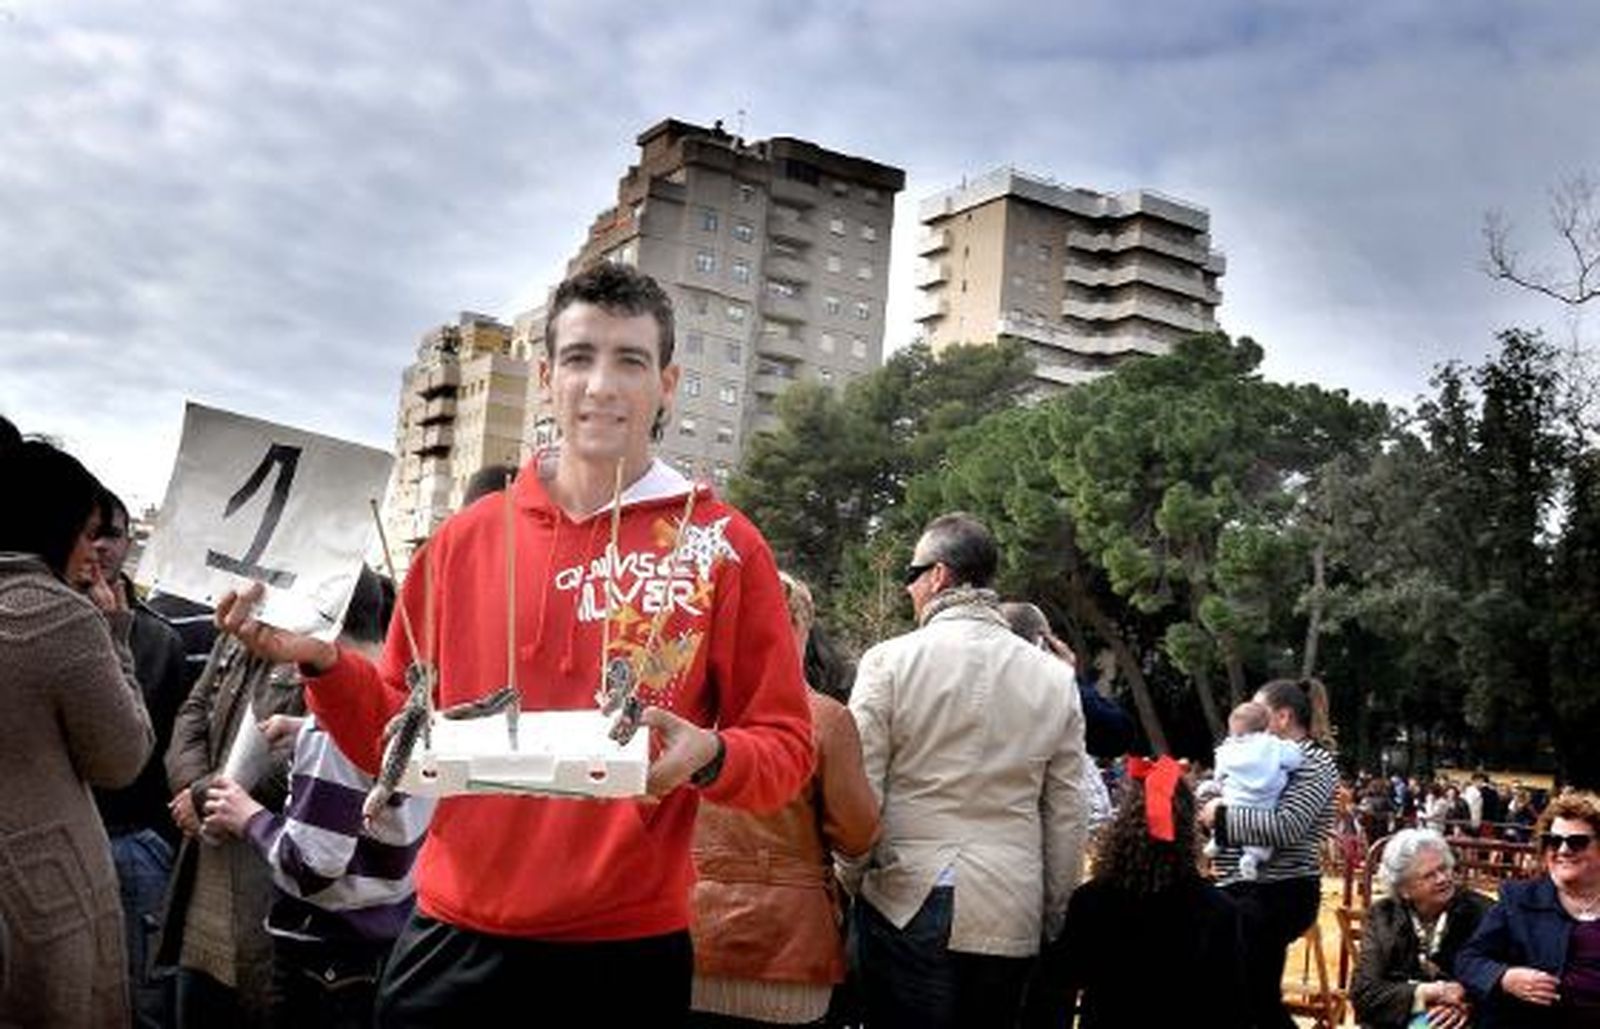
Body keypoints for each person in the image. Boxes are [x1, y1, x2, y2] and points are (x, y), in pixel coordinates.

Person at [212, 263, 814, 1023]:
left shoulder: (723, 545)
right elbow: (386, 739)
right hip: (451, 940)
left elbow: (787, 749)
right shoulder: (462, 541)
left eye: (630, 360)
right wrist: (323, 661)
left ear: (668, 382)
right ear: (545, 375)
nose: (602, 384)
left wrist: (713, 754)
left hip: (625, 956)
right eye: (579, 357)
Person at [847, 512, 1089, 1029]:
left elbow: (860, 789)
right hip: (1010, 901)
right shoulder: (1054, 679)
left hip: (905, 892)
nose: (907, 589)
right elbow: (1068, 812)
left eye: (910, 575)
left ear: (937, 576)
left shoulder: (887, 661)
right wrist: (1053, 911)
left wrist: (847, 879)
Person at [202, 566, 432, 1029]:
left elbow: (313, 865)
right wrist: (307, 729)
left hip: (326, 954)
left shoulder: (337, 728)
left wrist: (248, 816)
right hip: (387, 933)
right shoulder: (405, 694)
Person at [0, 418, 155, 1027]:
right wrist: (115, 633)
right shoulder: (61, 617)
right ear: (52, 523)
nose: (96, 553)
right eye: (87, 533)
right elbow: (122, 758)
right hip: (43, 895)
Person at [687, 571, 879, 1027]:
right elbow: (856, 836)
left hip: (687, 937)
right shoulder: (825, 721)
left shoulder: (679, 719)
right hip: (787, 951)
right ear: (798, 628)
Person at [156, 636, 305, 1025]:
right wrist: (193, 789)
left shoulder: (312, 649)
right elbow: (192, 711)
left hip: (260, 886)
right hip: (202, 888)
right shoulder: (232, 639)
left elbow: (293, 760)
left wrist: (204, 795)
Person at [90, 487, 189, 1029]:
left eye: (113, 534)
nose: (101, 547)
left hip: (137, 839)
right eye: (90, 533)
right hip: (65, 834)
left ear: (130, 545)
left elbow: (168, 744)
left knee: (144, 999)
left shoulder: (157, 637)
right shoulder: (41, 623)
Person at [1053, 756, 1248, 1027]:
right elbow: (1232, 1006)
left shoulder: (1091, 900)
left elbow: (1065, 981)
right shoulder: (1218, 910)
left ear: (1122, 823)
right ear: (1188, 829)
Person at [1199, 677, 1338, 1029]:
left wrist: (1221, 816)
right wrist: (1207, 811)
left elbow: (1286, 825)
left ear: (1283, 717)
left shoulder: (1314, 762)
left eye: (1259, 710)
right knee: (1237, 996)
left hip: (1279, 890)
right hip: (1239, 887)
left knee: (1253, 998)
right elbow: (1216, 792)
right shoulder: (1249, 754)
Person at [1457, 789, 1600, 1026]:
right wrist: (1505, 977)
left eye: (1577, 842)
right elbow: (1468, 960)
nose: (1563, 850)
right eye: (1553, 841)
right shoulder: (1518, 899)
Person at [1350, 828, 1491, 1028]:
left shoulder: (1483, 913)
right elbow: (1364, 995)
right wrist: (1431, 992)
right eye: (1429, 875)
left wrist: (1466, 1005)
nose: (1442, 879)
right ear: (1404, 889)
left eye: (1444, 868)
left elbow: (1498, 983)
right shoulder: (1384, 916)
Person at [1207, 700, 1304, 880]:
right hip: (1262, 801)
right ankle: (1251, 857)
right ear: (1267, 725)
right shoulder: (1274, 745)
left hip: (1233, 799)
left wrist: (1218, 783)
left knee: (1221, 816)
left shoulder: (1228, 748)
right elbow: (1295, 760)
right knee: (1260, 841)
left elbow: (1219, 774)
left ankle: (1217, 841)